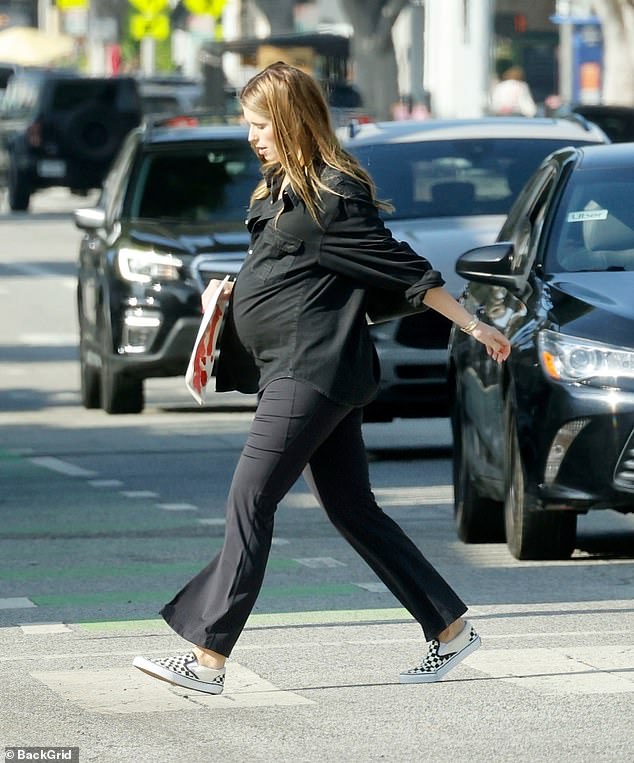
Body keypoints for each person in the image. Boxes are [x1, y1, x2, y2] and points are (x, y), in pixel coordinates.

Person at [133, 62, 511, 695]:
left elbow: (403, 268)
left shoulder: (333, 195)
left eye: (260, 125)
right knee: (352, 508)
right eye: (247, 125)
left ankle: (207, 658)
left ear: (290, 120)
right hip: (300, 365)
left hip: (313, 370)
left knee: (250, 499)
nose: (251, 137)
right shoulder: (281, 191)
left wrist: (473, 326)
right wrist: (230, 301)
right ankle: (449, 629)